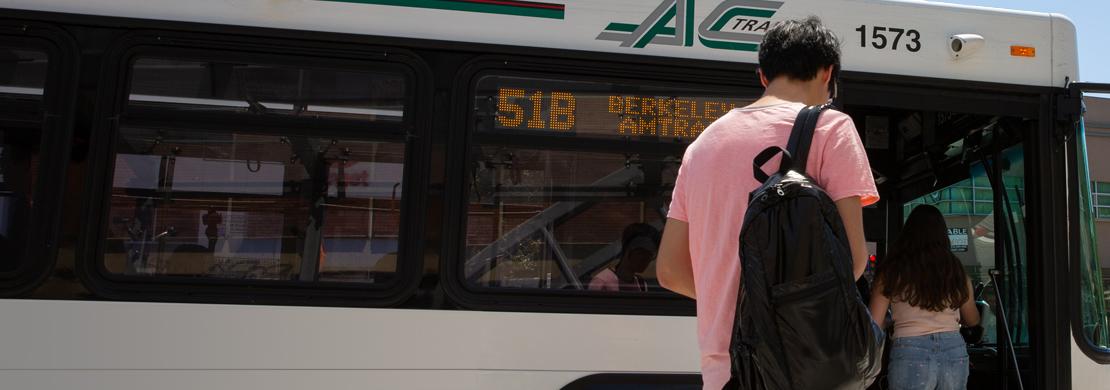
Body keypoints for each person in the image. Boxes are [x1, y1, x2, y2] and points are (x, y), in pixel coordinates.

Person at [655, 17, 879, 389]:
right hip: (800, 367)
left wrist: (732, 296)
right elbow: (853, 260)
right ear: (828, 73)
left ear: (762, 76)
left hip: (723, 373)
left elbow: (670, 271)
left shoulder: (701, 146)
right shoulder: (831, 128)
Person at [869, 205, 981, 390]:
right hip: (953, 349)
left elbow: (874, 321)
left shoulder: (892, 270)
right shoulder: (956, 270)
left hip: (910, 349)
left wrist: (892, 321)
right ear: (942, 234)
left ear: (908, 233)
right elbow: (972, 319)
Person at [589, 223, 659, 292]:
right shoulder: (602, 283)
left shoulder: (641, 285)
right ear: (627, 249)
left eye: (650, 255)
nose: (646, 259)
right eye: (641, 253)